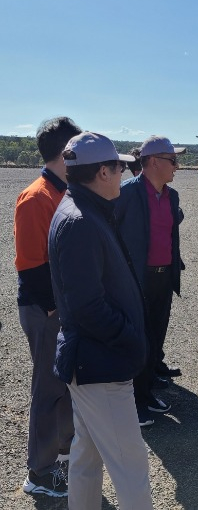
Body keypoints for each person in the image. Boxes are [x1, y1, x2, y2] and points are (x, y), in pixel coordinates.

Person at [48, 131, 153, 509]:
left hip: (89, 363)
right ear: (104, 173)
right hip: (101, 367)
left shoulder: (82, 209)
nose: (125, 176)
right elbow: (86, 306)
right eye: (121, 169)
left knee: (86, 458)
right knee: (131, 469)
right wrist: (129, 337)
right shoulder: (81, 220)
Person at [14, 116, 81, 497]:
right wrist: (56, 308)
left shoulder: (65, 191)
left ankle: (60, 457)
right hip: (45, 310)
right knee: (47, 389)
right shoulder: (36, 197)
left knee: (63, 386)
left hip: (62, 308)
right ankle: (38, 474)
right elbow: (30, 265)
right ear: (65, 152)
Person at [114, 135, 186, 426]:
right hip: (136, 281)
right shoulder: (127, 193)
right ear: (153, 162)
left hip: (162, 278)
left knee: (154, 339)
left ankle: (145, 394)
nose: (177, 166)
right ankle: (133, 403)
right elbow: (110, 232)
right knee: (138, 341)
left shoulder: (172, 196)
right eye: (173, 160)